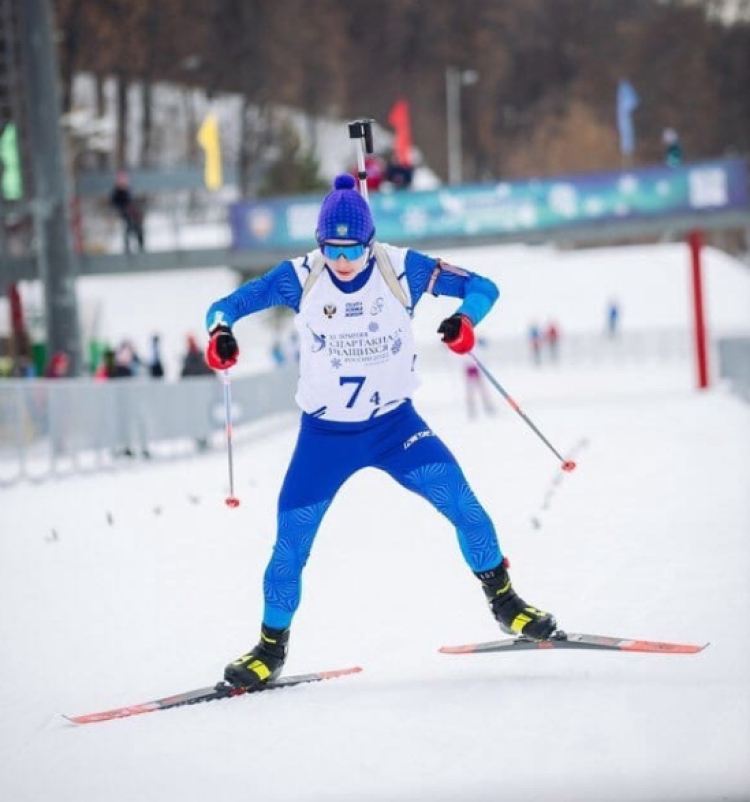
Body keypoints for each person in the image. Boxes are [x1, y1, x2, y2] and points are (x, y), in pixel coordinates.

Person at [204, 174, 556, 691]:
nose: (341, 261)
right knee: (290, 546)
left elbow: (484, 287)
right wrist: (221, 334)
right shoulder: (299, 277)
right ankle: (269, 650)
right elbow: (227, 306)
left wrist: (464, 319)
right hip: (325, 437)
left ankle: (507, 605)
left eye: (352, 250)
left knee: (465, 507)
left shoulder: (400, 268)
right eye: (332, 249)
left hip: (395, 427)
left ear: (369, 242)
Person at [109, 170, 145, 254]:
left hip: (132, 212)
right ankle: (127, 248)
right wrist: (123, 208)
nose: (123, 184)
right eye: (121, 183)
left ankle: (140, 247)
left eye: (124, 182)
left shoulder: (128, 190)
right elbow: (115, 203)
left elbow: (132, 201)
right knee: (130, 227)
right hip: (125, 212)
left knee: (138, 228)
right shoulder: (117, 192)